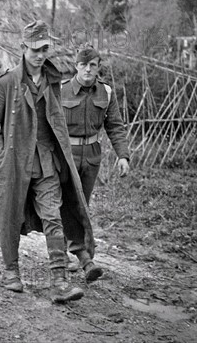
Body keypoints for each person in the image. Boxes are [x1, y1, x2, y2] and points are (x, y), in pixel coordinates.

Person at [0, 20, 96, 303]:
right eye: (34, 49)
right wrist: (2, 156)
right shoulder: (7, 83)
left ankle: (60, 281)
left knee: (53, 217)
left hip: (46, 163)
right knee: (9, 218)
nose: (40, 54)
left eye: (45, 48)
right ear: (23, 48)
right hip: (13, 166)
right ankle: (11, 271)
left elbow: (55, 121)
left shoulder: (53, 81)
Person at [61, 45, 130, 281]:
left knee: (81, 204)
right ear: (76, 66)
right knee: (66, 202)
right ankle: (77, 256)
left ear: (98, 67)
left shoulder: (107, 93)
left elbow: (115, 126)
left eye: (93, 65)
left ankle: (75, 253)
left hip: (91, 155)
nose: (88, 69)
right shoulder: (61, 90)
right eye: (83, 65)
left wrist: (123, 155)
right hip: (65, 155)